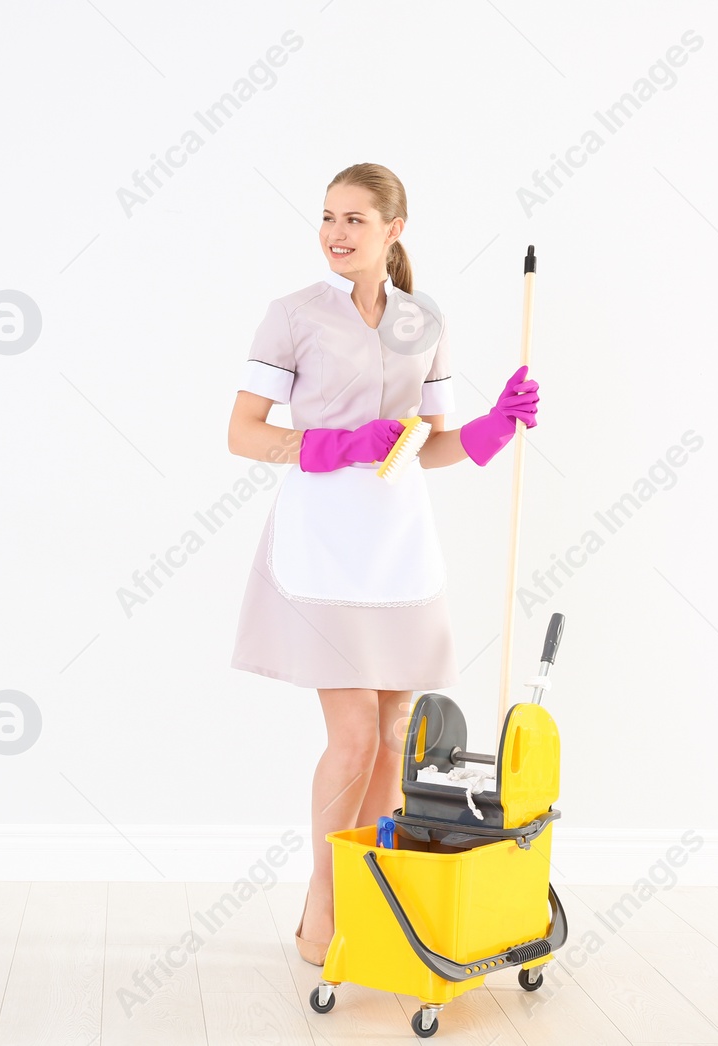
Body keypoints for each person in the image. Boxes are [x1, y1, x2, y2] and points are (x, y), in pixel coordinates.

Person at [225, 162, 540, 966]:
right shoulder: (292, 315)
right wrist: (333, 445)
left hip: (397, 544)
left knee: (398, 736)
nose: (336, 233)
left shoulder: (421, 321)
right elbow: (245, 434)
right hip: (323, 542)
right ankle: (322, 908)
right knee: (355, 736)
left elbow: (431, 445)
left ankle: (376, 905)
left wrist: (493, 429)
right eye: (328, 217)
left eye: (355, 220)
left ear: (393, 230)